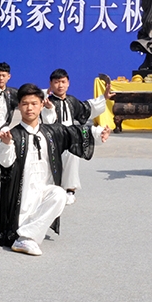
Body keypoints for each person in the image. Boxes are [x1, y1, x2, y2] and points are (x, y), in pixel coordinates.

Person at [0, 83, 110, 256]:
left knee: (60, 195)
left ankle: (26, 237)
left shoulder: (50, 132)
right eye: (25, 103)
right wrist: (6, 144)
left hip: (42, 189)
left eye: (34, 103)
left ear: (41, 105)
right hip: (22, 194)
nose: (29, 108)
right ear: (18, 106)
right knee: (20, 219)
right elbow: (5, 163)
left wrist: (97, 134)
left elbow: (74, 132)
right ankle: (25, 237)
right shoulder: (13, 135)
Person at [42, 68, 113, 204]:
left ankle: (70, 189)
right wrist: (48, 108)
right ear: (51, 84)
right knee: (50, 163)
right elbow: (46, 122)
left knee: (72, 156)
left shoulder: (72, 101)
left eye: (63, 82)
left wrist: (103, 97)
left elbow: (86, 108)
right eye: (56, 82)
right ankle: (51, 190)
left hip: (71, 137)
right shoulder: (46, 102)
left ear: (68, 83)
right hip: (52, 138)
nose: (60, 85)